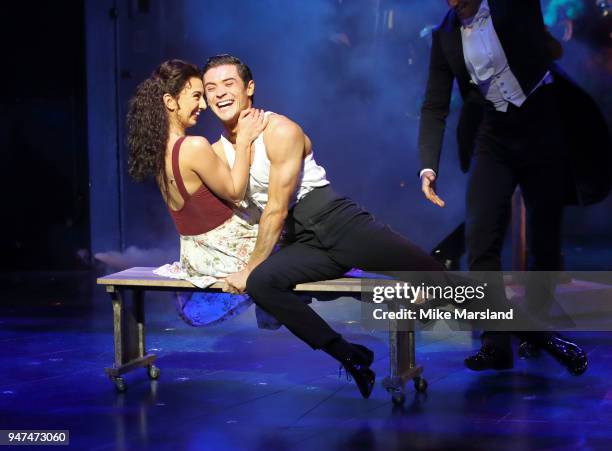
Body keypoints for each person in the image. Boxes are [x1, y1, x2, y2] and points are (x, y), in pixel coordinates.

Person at [202, 54, 449, 399]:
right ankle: (350, 355)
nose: (220, 94)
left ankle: (537, 333)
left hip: (336, 221)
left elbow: (275, 209)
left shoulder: (280, 130)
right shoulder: (219, 150)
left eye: (229, 84)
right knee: (263, 284)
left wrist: (249, 265)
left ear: (249, 88)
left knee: (436, 276)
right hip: (302, 239)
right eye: (211, 87)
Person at [417, 0, 609, 374]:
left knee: (544, 241)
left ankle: (534, 333)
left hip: (543, 123)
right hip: (494, 132)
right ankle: (495, 342)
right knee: (481, 239)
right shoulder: (445, 35)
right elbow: (434, 104)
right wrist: (428, 166)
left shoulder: (513, 5)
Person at [126, 59, 268, 307]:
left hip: (196, 257)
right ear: (170, 102)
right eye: (196, 96)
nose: (203, 105)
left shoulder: (161, 150)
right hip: (227, 253)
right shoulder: (193, 146)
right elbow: (235, 192)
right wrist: (244, 140)